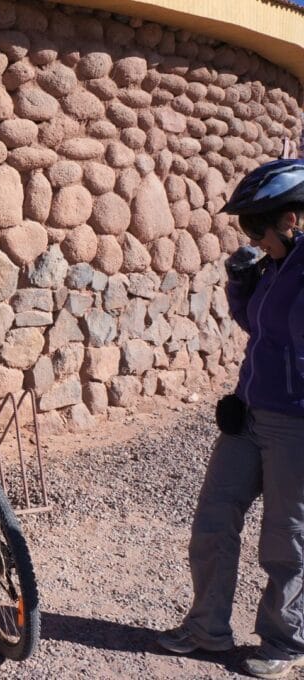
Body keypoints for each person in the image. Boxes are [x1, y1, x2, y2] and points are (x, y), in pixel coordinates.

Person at [158, 158, 304, 679]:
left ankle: (285, 642)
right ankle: (207, 628)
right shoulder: (275, 267)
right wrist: (243, 283)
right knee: (214, 519)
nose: (251, 238)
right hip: (250, 412)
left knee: (287, 540)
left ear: (290, 219)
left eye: (256, 227)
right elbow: (258, 327)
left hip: (296, 423)